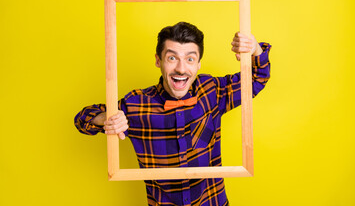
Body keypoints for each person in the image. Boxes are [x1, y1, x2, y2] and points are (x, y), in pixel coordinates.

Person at [74, 22, 271, 206]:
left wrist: (254, 50)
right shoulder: (136, 104)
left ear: (199, 64)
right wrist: (105, 119)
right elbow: (82, 119)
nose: (181, 68)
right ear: (158, 60)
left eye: (190, 59)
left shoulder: (211, 91)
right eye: (172, 58)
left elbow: (257, 78)